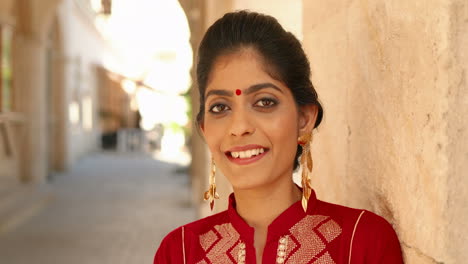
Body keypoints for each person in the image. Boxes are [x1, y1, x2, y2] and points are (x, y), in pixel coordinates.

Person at [154, 11, 403, 264]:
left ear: (304, 119)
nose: (239, 127)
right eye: (220, 107)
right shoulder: (179, 252)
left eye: (264, 102)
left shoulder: (362, 242)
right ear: (205, 129)